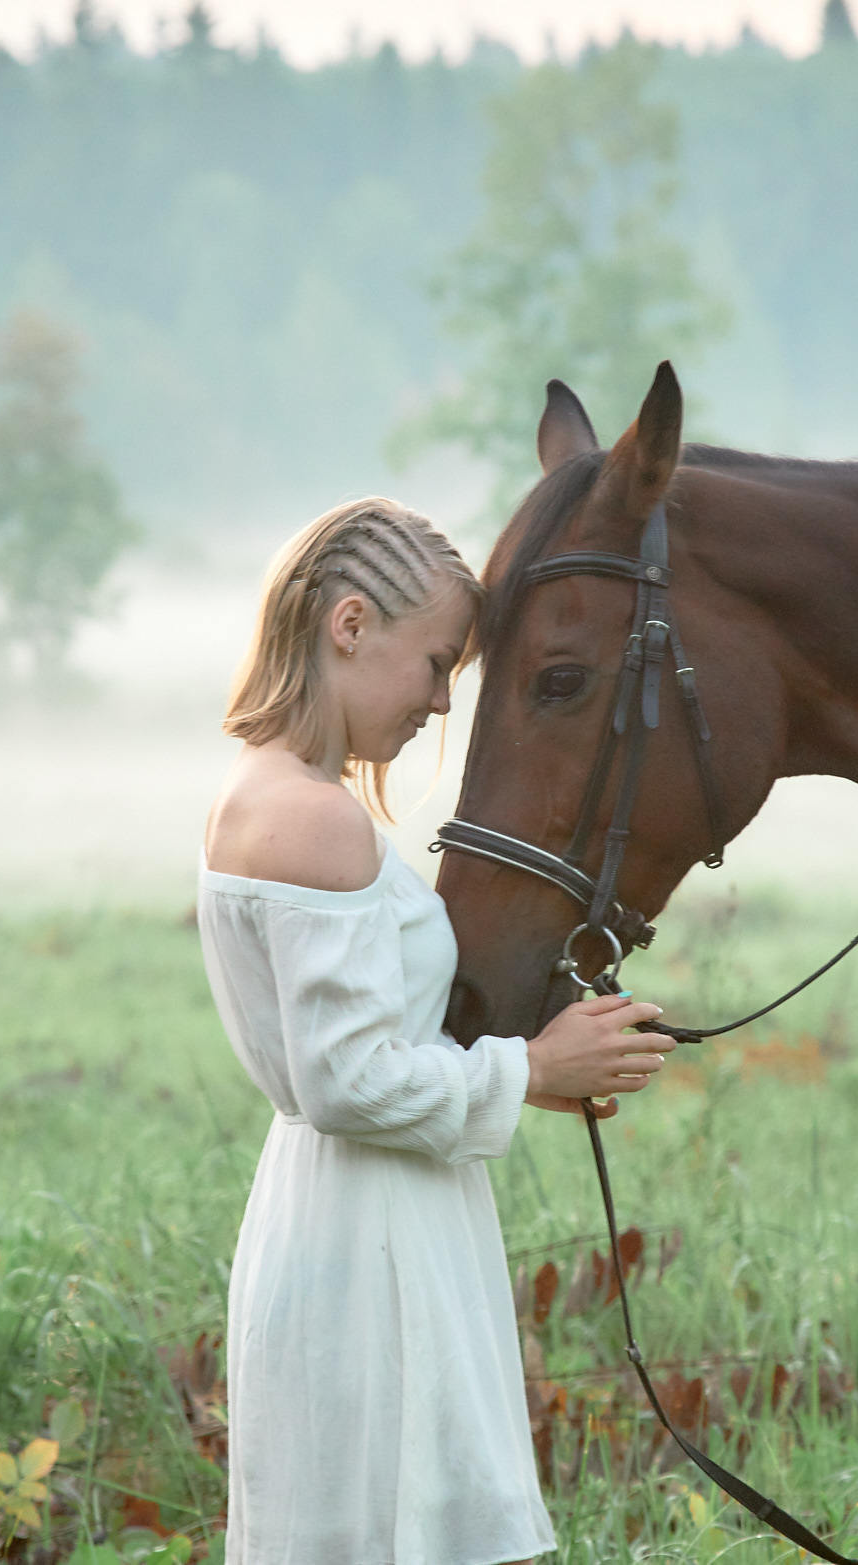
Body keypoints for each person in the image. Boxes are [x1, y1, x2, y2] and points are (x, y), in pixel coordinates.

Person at [198, 496, 677, 1565]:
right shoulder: (313, 819)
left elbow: (358, 1051)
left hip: (355, 1210)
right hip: (369, 1237)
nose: (436, 703)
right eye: (434, 665)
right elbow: (346, 1084)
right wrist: (530, 1062)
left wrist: (533, 1074)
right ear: (351, 625)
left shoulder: (272, 793)